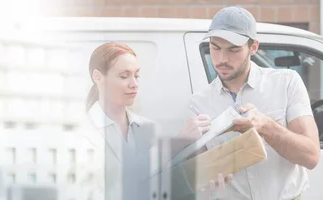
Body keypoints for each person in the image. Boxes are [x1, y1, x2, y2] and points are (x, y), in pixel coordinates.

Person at [182, 6, 320, 200]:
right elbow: (196, 179)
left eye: (233, 49)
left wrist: (265, 125)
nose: (222, 59)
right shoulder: (198, 103)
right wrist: (185, 148)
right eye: (215, 48)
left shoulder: (287, 82)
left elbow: (311, 156)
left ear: (253, 47)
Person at [79, 42, 225, 200]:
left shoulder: (150, 128)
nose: (134, 84)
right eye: (124, 76)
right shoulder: (83, 133)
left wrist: (201, 192)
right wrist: (175, 143)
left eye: (136, 75)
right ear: (98, 77)